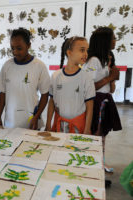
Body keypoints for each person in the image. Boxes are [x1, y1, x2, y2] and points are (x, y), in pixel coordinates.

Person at [84, 27, 122, 175]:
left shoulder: (107, 59)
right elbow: (89, 87)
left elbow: (111, 88)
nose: (115, 41)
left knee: (102, 134)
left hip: (105, 99)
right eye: (113, 38)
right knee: (95, 132)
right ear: (104, 41)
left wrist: (112, 78)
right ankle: (92, 161)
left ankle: (100, 160)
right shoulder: (93, 61)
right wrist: (110, 78)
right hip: (96, 101)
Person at [0, 28, 50, 129]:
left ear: (28, 45)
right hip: (10, 123)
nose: (15, 52)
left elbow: (45, 94)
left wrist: (37, 116)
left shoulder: (39, 66)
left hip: (31, 123)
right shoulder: (7, 66)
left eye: (19, 48)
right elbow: (3, 93)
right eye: (12, 48)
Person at [45, 36, 95, 134]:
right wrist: (48, 123)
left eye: (87, 50)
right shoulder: (56, 76)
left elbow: (90, 106)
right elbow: (51, 101)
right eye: (82, 50)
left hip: (78, 127)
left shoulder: (86, 77)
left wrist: (87, 129)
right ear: (69, 52)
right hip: (59, 125)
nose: (85, 54)